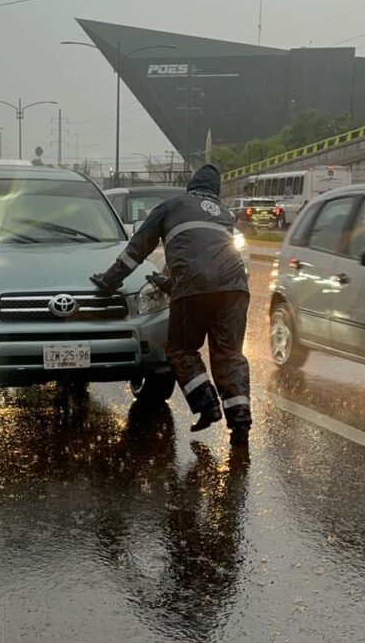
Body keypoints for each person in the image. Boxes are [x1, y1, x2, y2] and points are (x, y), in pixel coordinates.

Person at [91, 164, 251, 446]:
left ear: (191, 186)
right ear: (216, 191)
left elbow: (136, 250)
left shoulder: (172, 206)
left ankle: (207, 405)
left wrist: (109, 281)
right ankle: (239, 424)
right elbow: (210, 261)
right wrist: (169, 283)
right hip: (235, 289)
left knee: (180, 349)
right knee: (229, 354)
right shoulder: (223, 213)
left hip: (193, 288)